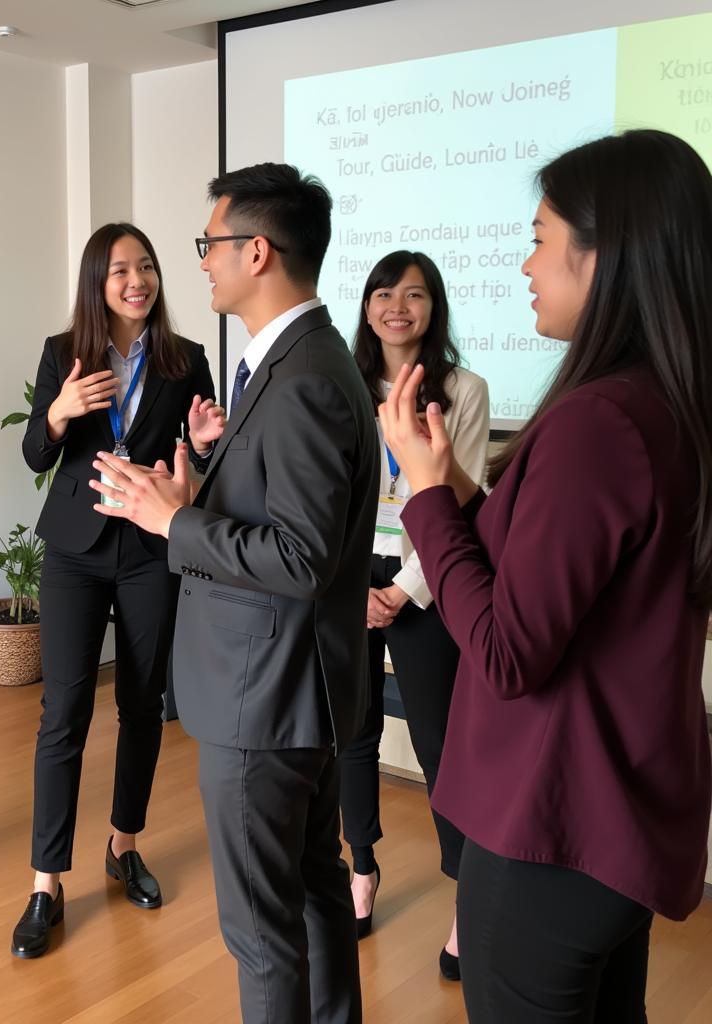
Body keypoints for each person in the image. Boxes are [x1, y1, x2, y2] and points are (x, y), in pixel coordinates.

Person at [379, 129, 712, 1023]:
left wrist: (420, 492)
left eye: (538, 237)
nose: (524, 263)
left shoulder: (597, 421)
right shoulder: (667, 404)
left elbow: (506, 649)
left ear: (603, 256)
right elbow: (557, 569)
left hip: (553, 823)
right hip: (619, 817)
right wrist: (450, 484)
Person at [92, 164, 378, 1024]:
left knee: (261, 932)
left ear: (257, 251)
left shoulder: (305, 379)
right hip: (293, 691)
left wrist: (169, 522)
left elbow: (300, 556)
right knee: (316, 892)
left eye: (209, 245)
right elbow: (286, 511)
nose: (202, 264)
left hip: (268, 698)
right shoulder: (292, 360)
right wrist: (198, 485)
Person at [13, 222, 223, 959]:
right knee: (62, 711)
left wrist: (199, 445)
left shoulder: (186, 359)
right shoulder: (62, 354)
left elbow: (202, 459)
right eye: (120, 271)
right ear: (96, 283)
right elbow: (38, 453)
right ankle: (45, 882)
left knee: (141, 704)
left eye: (146, 268)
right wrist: (60, 412)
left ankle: (123, 844)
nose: (136, 281)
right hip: (74, 549)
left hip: (149, 551)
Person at [342, 250, 489, 977]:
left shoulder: (463, 390)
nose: (397, 305)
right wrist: (351, 586)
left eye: (415, 294)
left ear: (434, 309)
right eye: (383, 293)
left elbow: (460, 501)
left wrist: (404, 589)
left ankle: (468, 901)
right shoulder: (340, 386)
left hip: (424, 573)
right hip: (349, 576)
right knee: (353, 733)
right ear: (366, 306)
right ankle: (360, 868)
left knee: (440, 746)